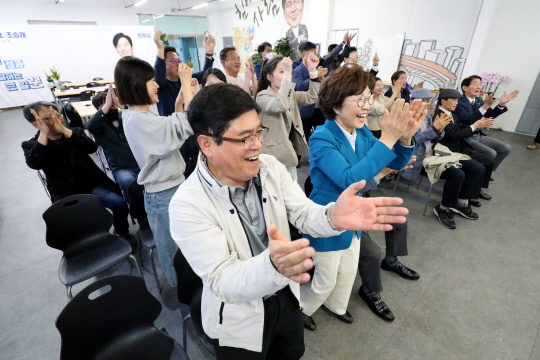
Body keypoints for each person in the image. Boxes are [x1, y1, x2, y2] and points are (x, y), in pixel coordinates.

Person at [169, 82, 409, 359]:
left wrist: (333, 216)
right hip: (239, 316)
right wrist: (273, 265)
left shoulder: (269, 167)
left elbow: (304, 214)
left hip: (286, 295)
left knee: (291, 352)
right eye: (245, 137)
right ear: (207, 144)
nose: (258, 144)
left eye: (259, 132)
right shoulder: (188, 204)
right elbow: (224, 279)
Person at [301, 64, 422, 331]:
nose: (367, 105)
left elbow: (395, 160)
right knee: (324, 280)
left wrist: (404, 138)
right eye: (359, 99)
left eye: (368, 98)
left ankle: (337, 306)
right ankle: (302, 309)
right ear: (335, 105)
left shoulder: (361, 131)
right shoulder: (322, 138)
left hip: (354, 217)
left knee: (345, 275)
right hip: (328, 217)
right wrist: (388, 139)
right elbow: (350, 179)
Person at [115, 56, 195, 288]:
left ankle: (191, 292)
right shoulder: (137, 120)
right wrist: (186, 84)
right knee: (175, 257)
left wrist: (182, 94)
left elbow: (171, 125)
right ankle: (187, 298)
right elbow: (185, 125)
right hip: (163, 196)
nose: (157, 84)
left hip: (172, 189)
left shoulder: (143, 115)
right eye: (151, 80)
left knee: (185, 248)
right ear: (136, 85)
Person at [21, 101, 134, 242]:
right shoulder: (31, 144)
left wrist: (65, 131)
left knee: (119, 203)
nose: (56, 119)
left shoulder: (73, 133)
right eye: (48, 118)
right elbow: (34, 163)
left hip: (92, 185)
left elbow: (92, 147)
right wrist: (44, 134)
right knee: (69, 223)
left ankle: (122, 231)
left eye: (57, 115)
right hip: (64, 192)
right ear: (35, 123)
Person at [402, 88, 486, 229]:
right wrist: (435, 129)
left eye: (428, 101)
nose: (427, 104)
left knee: (477, 168)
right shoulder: (404, 119)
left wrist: (439, 130)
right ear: (411, 102)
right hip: (417, 159)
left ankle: (462, 202)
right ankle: (444, 208)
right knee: (457, 174)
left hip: (435, 153)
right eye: (423, 101)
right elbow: (411, 141)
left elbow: (436, 138)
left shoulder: (428, 117)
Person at [256, 56, 319, 181]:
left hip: (288, 153)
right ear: (269, 77)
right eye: (281, 71)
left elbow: (312, 96)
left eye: (285, 71)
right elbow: (281, 105)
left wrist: (312, 71)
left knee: (289, 194)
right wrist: (288, 73)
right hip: (272, 157)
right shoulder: (262, 96)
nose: (286, 75)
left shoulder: (290, 95)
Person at [435, 89, 495, 202]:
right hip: (450, 152)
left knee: (489, 160)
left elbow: (462, 126)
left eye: (457, 100)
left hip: (461, 148)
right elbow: (453, 135)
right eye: (453, 100)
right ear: (443, 101)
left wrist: (477, 124)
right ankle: (465, 199)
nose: (456, 103)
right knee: (478, 168)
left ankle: (476, 190)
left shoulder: (452, 114)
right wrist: (474, 126)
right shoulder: (439, 117)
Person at [453, 75, 518, 174]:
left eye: (480, 84)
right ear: (465, 88)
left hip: (478, 135)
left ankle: (486, 174)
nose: (479, 87)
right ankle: (478, 175)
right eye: (475, 84)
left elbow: (489, 115)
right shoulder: (459, 102)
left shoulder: (479, 100)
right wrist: (486, 105)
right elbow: (468, 120)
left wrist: (501, 104)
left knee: (506, 148)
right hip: (465, 136)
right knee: (491, 153)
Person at [86, 87, 140, 202]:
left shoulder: (125, 117)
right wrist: (106, 106)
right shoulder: (99, 125)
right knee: (128, 181)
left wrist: (120, 105)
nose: (111, 107)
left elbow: (139, 116)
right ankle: (137, 211)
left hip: (141, 162)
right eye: (106, 106)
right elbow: (89, 126)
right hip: (121, 168)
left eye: (112, 104)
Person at [153, 30, 215, 117]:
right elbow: (158, 78)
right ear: (163, 64)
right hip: (171, 127)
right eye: (173, 61)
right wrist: (160, 49)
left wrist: (209, 52)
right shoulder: (162, 85)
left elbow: (204, 75)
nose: (178, 64)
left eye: (179, 61)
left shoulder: (185, 79)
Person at [292, 42, 327, 139]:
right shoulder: (297, 71)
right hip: (305, 111)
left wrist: (322, 78)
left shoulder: (317, 68)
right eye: (311, 55)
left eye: (315, 54)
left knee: (322, 136)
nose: (314, 57)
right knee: (302, 138)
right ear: (303, 55)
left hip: (319, 109)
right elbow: (298, 87)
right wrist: (314, 76)